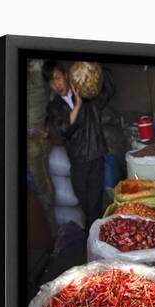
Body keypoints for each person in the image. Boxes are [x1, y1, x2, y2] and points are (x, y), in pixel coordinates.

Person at [42, 61, 115, 233]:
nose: (56, 84)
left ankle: (91, 246)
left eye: (58, 78)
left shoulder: (90, 97)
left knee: (94, 207)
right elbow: (64, 129)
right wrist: (78, 105)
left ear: (66, 75)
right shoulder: (54, 107)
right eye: (51, 82)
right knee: (85, 204)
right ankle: (95, 241)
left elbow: (110, 89)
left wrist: (99, 68)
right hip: (77, 163)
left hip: (95, 156)